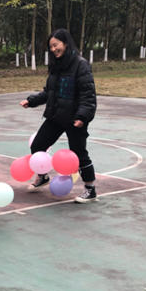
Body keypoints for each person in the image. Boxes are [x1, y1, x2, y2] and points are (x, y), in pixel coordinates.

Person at [20, 28, 97, 203]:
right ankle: (42, 177)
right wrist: (31, 101)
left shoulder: (81, 64)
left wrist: (82, 117)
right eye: (51, 47)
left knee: (79, 153)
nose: (54, 49)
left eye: (56, 45)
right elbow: (49, 92)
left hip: (75, 118)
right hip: (56, 116)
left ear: (66, 43)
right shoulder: (56, 65)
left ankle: (90, 189)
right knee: (38, 145)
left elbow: (88, 95)